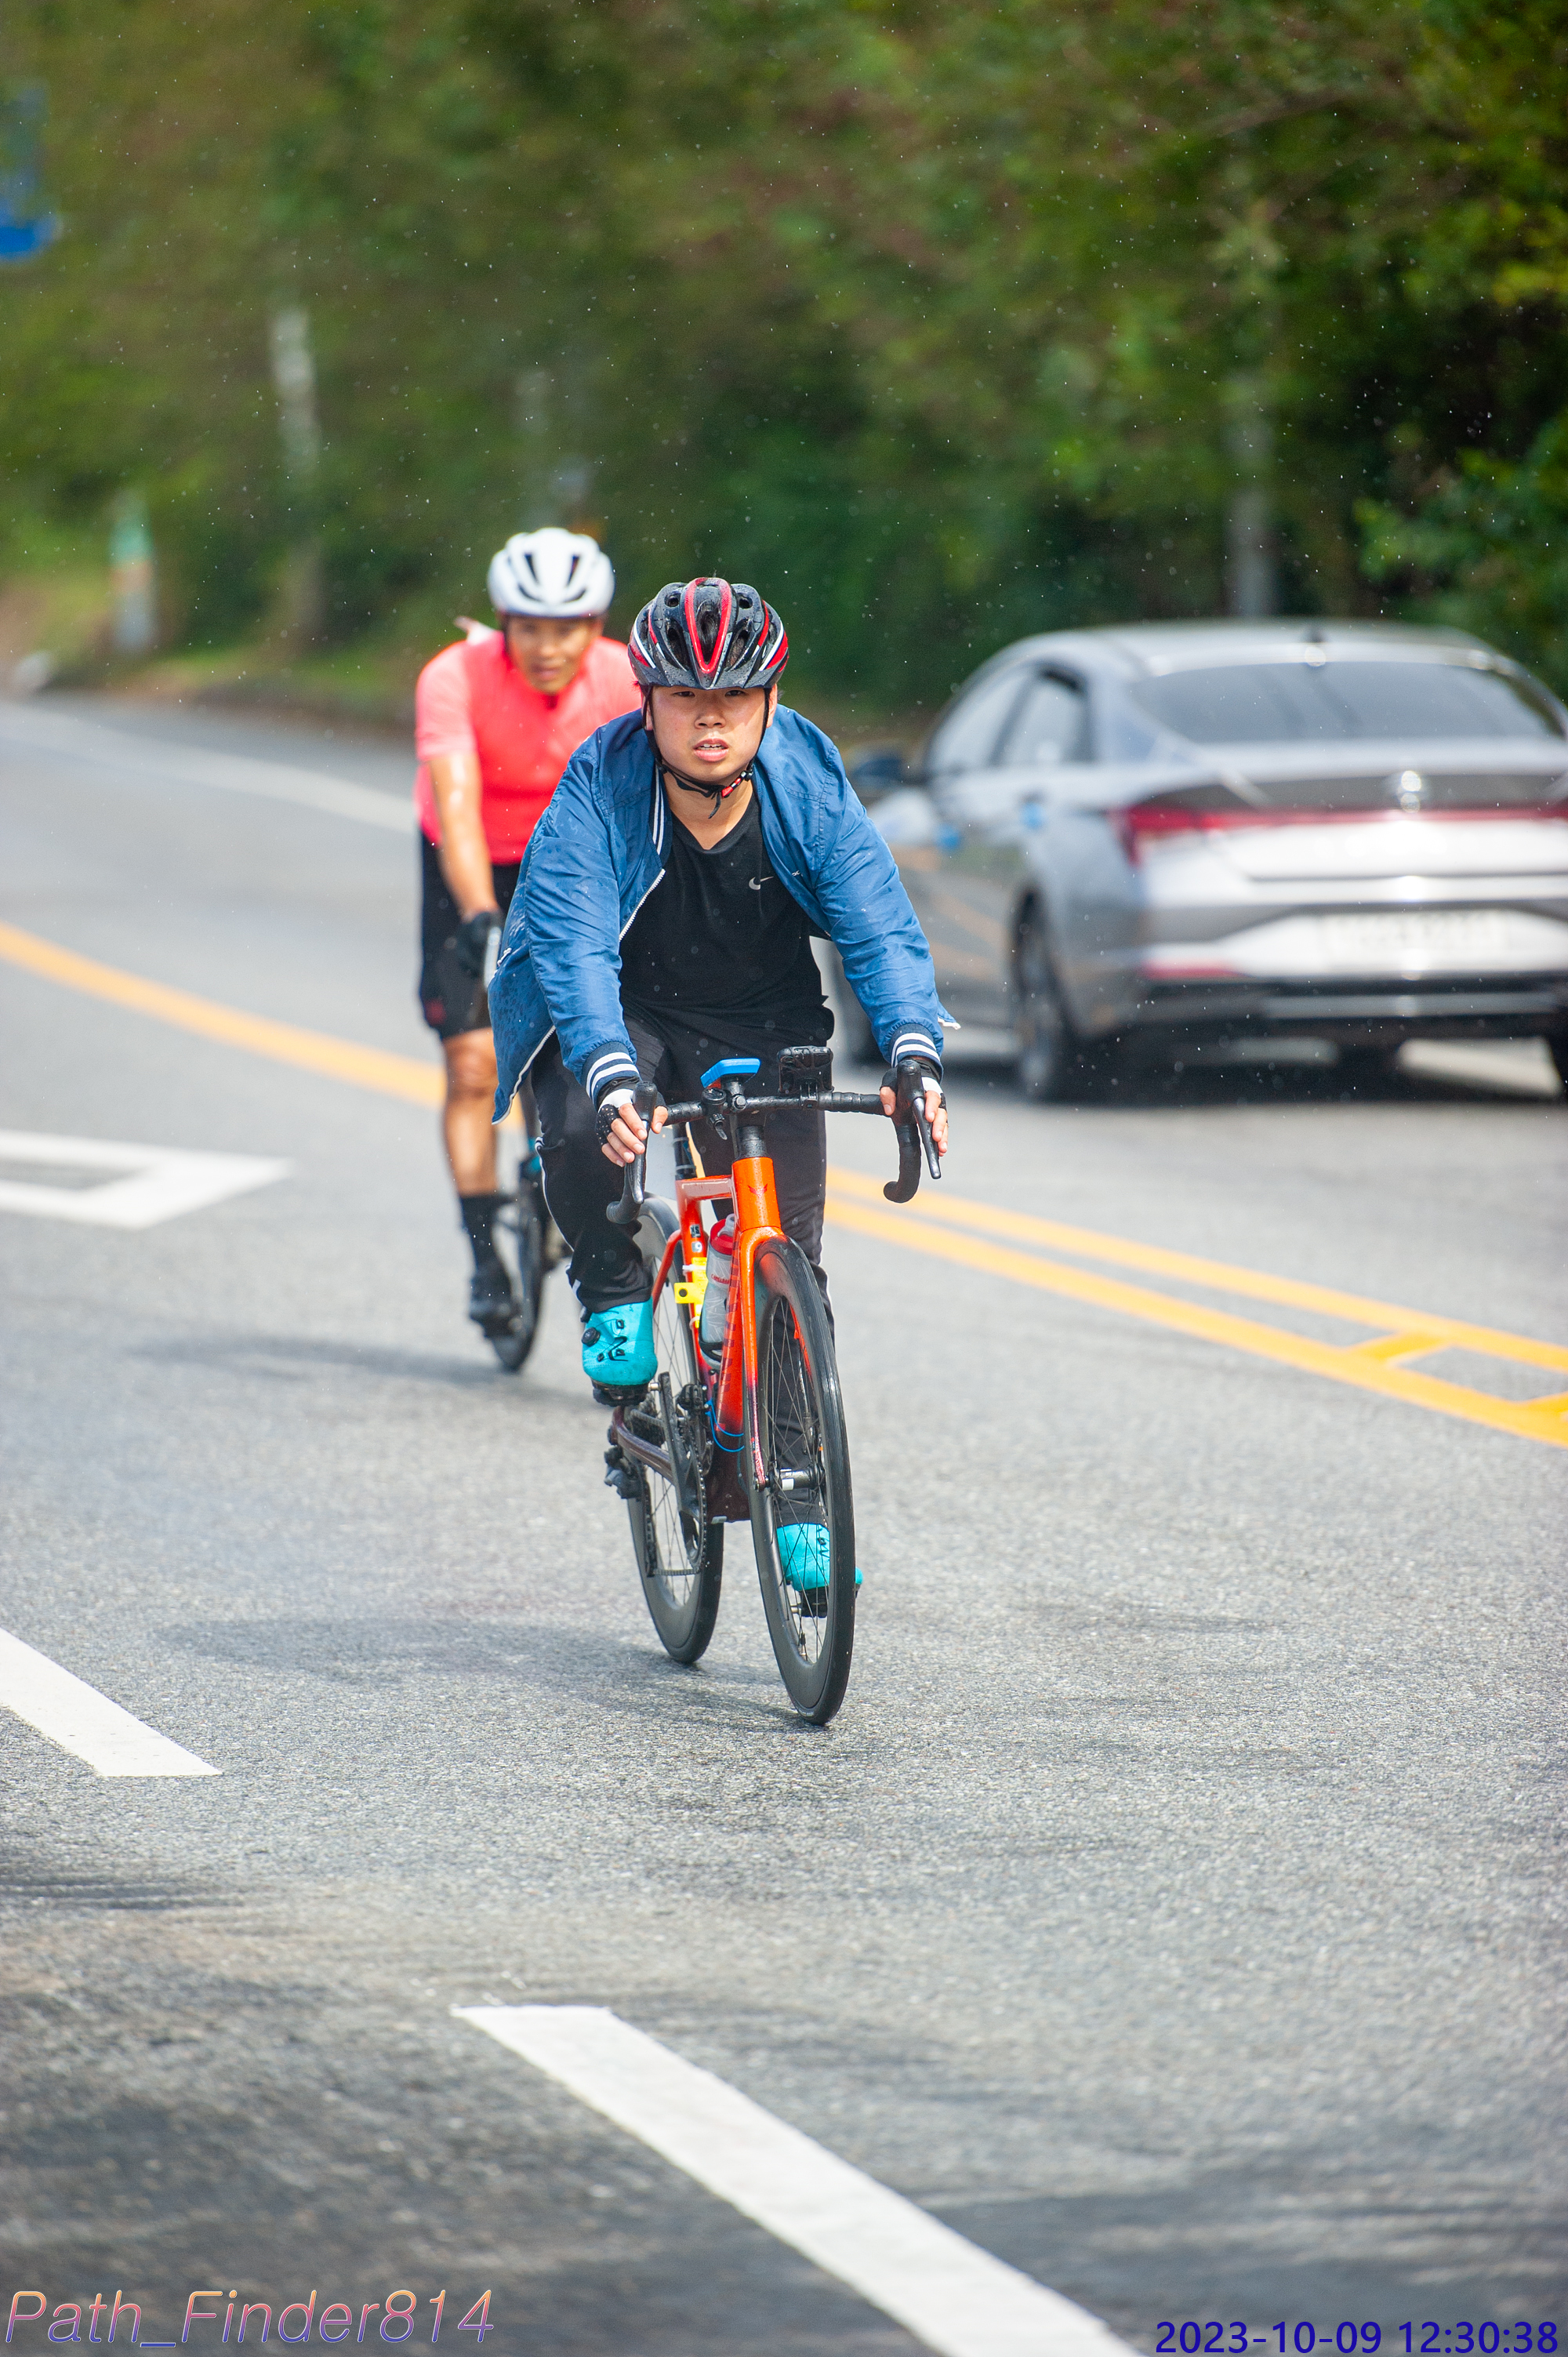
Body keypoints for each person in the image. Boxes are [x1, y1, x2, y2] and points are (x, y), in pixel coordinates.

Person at [488, 576, 949, 1599]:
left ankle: (799, 1490)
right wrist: (611, 1071)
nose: (711, 719)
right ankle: (610, 1285)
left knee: (789, 1266)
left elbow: (876, 922)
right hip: (626, 1005)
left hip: (766, 1016)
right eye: (687, 698)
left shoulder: (805, 780)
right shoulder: (599, 784)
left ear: (769, 702)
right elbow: (571, 942)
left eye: (735, 697)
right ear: (646, 701)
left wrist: (914, 1050)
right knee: (580, 1120)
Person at [414, 527, 639, 1331]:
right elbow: (455, 807)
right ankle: (484, 1257)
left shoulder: (624, 677)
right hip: (473, 862)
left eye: (567, 629)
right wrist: (481, 914)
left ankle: (564, 1172)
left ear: (596, 626)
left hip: (577, 863)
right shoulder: (454, 676)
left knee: (578, 1043)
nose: (548, 648)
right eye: (531, 628)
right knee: (474, 1066)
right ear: (503, 624)